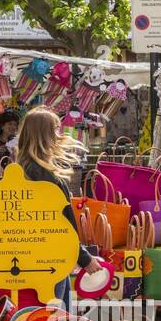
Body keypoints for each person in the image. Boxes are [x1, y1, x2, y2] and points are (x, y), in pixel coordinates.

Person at [15, 108, 102, 276]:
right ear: (44, 135)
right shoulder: (42, 173)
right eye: (55, 129)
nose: (59, 134)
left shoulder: (23, 169)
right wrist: (84, 258)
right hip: (51, 259)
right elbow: (59, 224)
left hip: (34, 256)